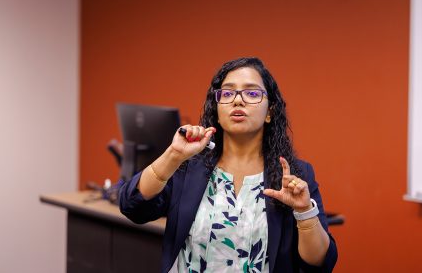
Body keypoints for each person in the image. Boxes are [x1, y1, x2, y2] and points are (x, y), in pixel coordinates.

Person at [119, 57, 338, 273]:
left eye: (252, 93)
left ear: (270, 111)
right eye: (228, 93)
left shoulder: (294, 175)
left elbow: (319, 263)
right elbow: (133, 206)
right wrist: (174, 155)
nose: (238, 100)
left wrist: (304, 212)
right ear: (217, 108)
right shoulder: (189, 167)